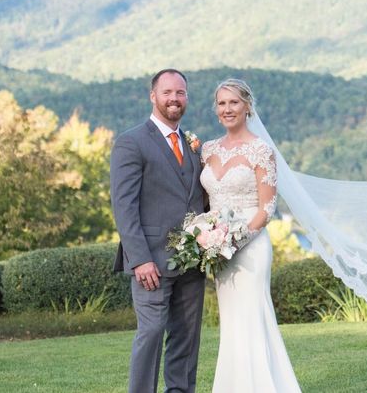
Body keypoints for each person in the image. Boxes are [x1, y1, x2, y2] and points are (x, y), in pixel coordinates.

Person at [200, 79, 301, 393]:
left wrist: (232, 242)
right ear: (216, 109)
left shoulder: (261, 150)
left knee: (252, 319)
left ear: (247, 106)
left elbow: (267, 209)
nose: (227, 109)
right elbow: (204, 203)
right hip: (218, 249)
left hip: (250, 247)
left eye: (234, 103)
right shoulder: (207, 149)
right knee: (231, 324)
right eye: (222, 103)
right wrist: (205, 239)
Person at [110, 68, 207, 393]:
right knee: (151, 333)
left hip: (192, 262)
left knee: (186, 337)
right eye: (167, 92)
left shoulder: (193, 146)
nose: (174, 99)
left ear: (186, 98)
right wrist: (139, 259)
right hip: (151, 262)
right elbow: (124, 206)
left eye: (180, 93)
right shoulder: (131, 141)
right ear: (153, 96)